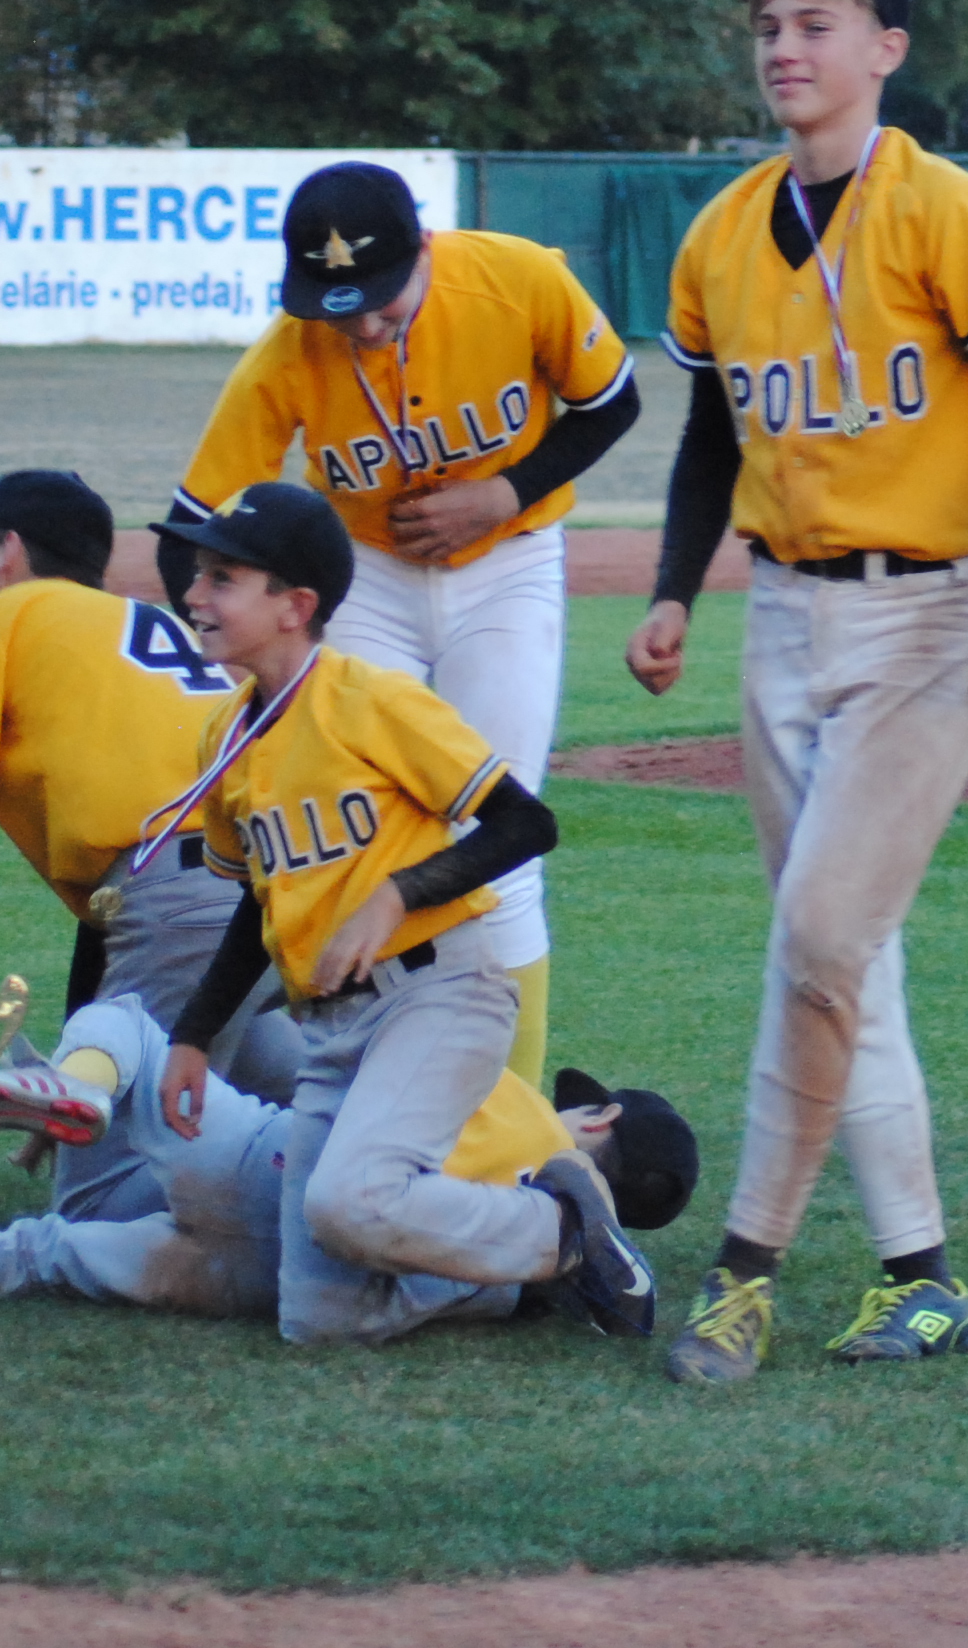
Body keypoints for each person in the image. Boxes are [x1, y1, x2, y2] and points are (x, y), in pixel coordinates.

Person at [624, 0, 968, 1385]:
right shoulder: (721, 232)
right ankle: (923, 1281)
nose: (783, 47)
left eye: (814, 22)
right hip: (780, 616)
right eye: (767, 25)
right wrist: (674, 592)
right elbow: (709, 437)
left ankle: (742, 1273)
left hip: (930, 619)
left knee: (819, 940)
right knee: (842, 961)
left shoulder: (946, 210)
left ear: (886, 48)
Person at [167, 163, 637, 1093]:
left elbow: (610, 402)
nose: (364, 327)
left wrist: (506, 492)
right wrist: (236, 645)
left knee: (493, 843)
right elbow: (194, 520)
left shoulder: (516, 278)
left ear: (425, 247)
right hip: (367, 581)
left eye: (381, 300)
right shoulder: (289, 353)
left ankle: (509, 1118)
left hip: (508, 564)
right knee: (339, 839)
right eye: (338, 308)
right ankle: (357, 1083)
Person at [150, 480, 650, 1347]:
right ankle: (526, 1282)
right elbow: (255, 906)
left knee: (352, 1202)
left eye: (223, 577)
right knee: (320, 1318)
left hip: (438, 995)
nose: (194, 593)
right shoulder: (226, 735)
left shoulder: (372, 700)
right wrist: (194, 1035)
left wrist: (398, 893)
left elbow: (526, 824)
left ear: (295, 606)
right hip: (330, 1031)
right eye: (200, 573)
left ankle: (559, 1228)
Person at [0, 468, 300, 1171]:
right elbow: (113, 910)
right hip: (295, 887)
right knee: (290, 1097)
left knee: (109, 1193)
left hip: (185, 913)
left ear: (8, 550)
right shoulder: (150, 626)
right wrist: (80, 1054)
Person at [0, 994, 690, 1339]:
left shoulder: (514, 1099)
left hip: (270, 1170)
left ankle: (80, 1085)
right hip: (273, 1285)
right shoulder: (531, 1259)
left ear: (601, 1118)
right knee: (36, 1253)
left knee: (130, 1025)